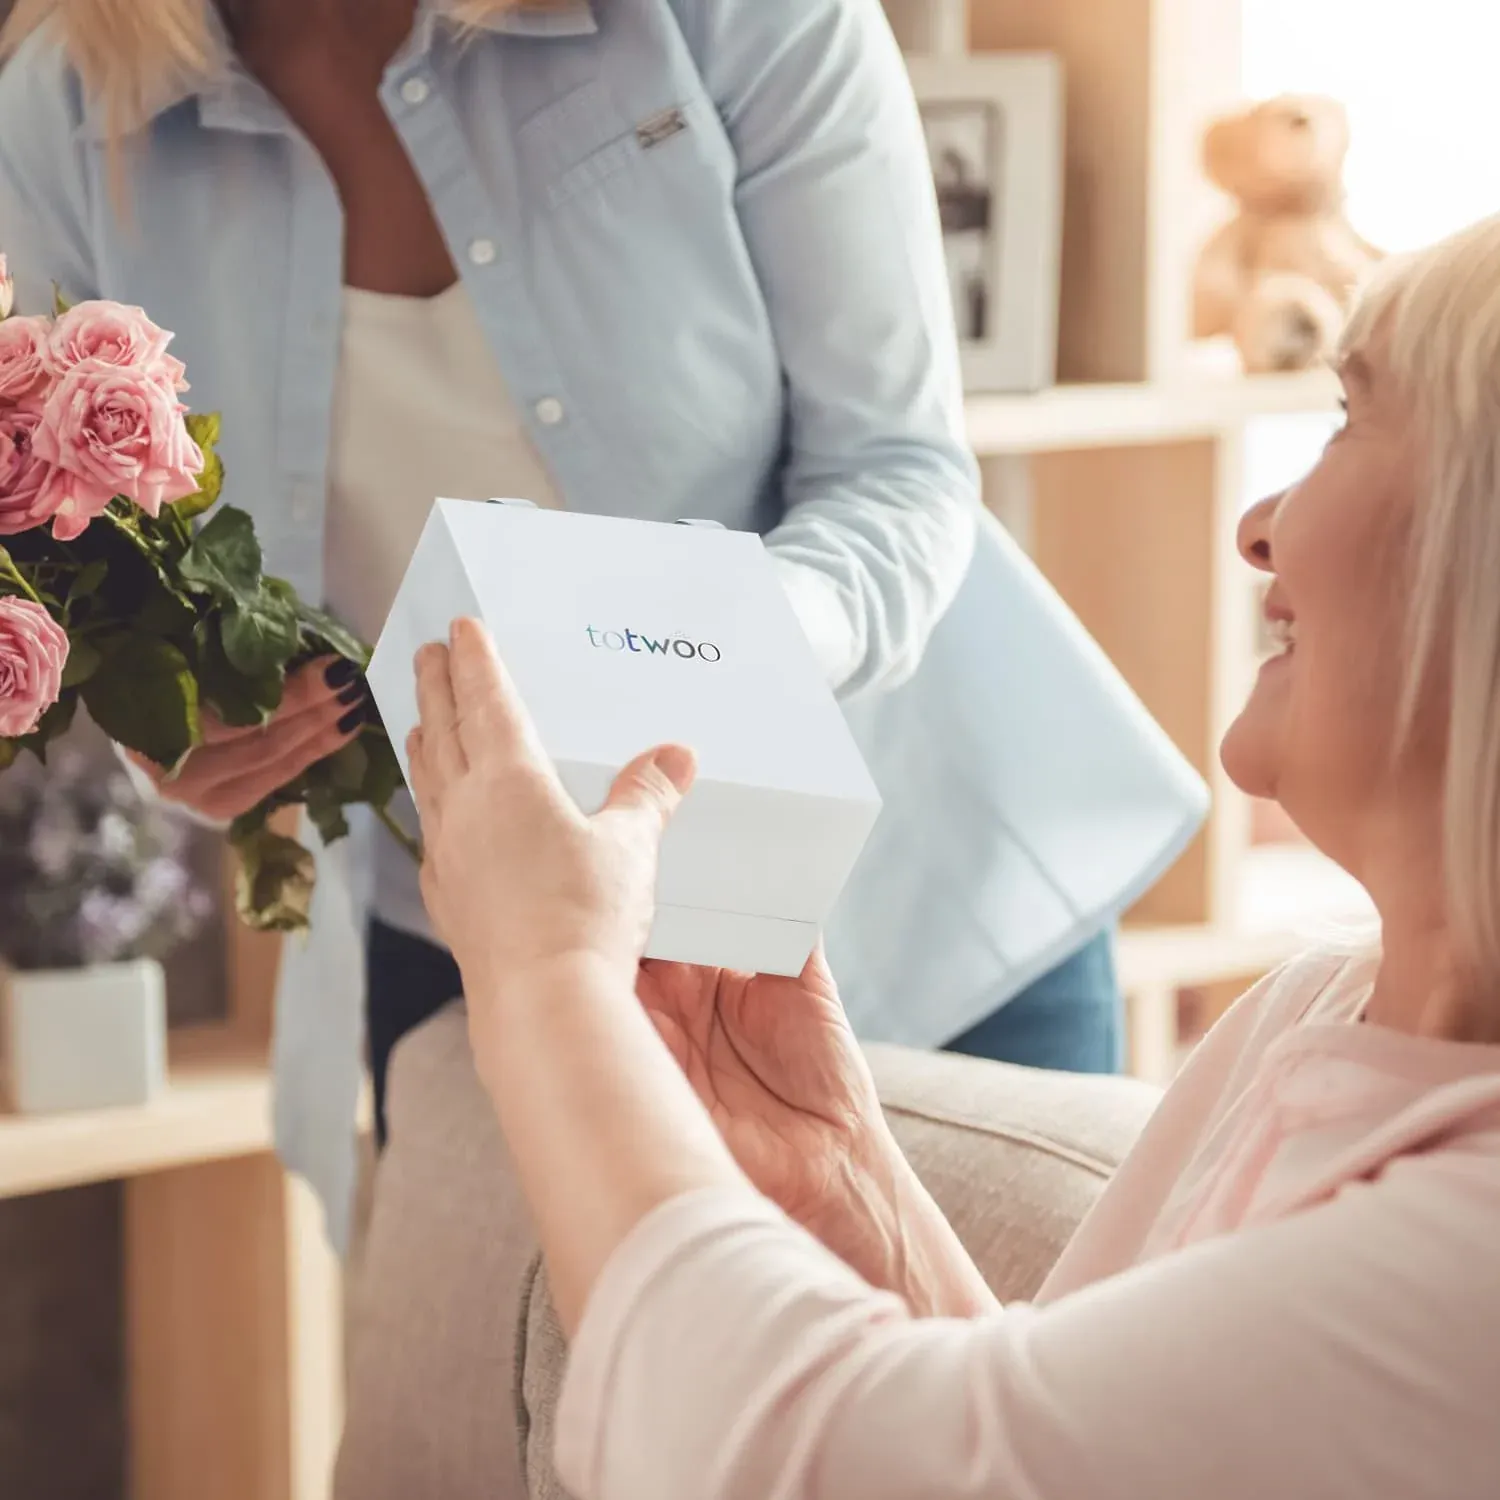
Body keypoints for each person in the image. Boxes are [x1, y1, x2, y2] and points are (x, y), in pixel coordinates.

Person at [0, 0, 1202, 1241]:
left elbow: (896, 471)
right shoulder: (67, 110)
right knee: (546, 1429)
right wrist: (180, 727)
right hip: (472, 948)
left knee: (983, 1413)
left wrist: (682, 660)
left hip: (910, 907)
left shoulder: (733, 17)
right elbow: (91, 555)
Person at [406, 214, 1500, 1499]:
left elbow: (806, 1459)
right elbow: (1029, 1462)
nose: (1260, 523)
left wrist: (545, 975)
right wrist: (846, 1180)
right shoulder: (1314, 1014)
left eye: (1348, 422)